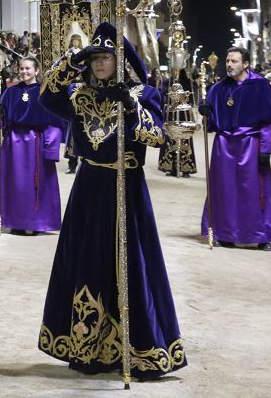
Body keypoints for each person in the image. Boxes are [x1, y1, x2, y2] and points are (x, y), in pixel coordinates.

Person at [37, 23, 185, 379]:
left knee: (130, 262)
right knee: (89, 260)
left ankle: (138, 348)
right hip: (89, 187)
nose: (99, 63)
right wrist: (74, 57)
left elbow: (156, 137)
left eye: (105, 56)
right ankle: (89, 347)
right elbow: (46, 94)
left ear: (119, 60)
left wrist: (130, 106)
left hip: (126, 185)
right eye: (95, 58)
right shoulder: (77, 94)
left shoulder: (143, 94)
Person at [199, 46, 271, 251]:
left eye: (234, 61)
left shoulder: (260, 86)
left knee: (255, 189)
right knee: (223, 189)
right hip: (224, 144)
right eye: (228, 61)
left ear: (245, 64)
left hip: (250, 144)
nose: (229, 64)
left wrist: (266, 148)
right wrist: (205, 114)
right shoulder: (217, 88)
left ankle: (262, 236)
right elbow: (210, 127)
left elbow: (270, 120)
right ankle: (223, 233)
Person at [0, 57, 64, 236]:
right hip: (13, 144)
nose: (24, 72)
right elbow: (2, 126)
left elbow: (54, 124)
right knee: (15, 184)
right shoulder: (10, 92)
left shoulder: (44, 92)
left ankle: (37, 223)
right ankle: (16, 222)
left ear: (37, 70)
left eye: (28, 68)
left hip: (35, 143)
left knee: (36, 184)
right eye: (21, 69)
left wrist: (51, 149)